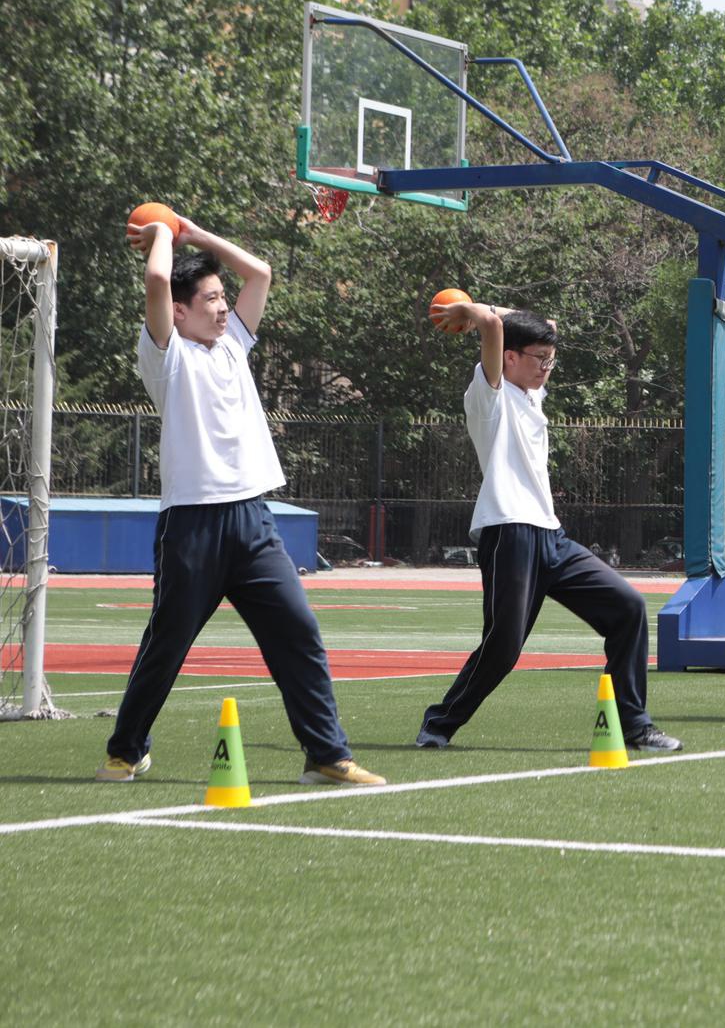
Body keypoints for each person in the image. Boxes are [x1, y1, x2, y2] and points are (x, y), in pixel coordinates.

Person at [100, 215, 382, 785]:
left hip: (254, 521)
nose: (224, 306)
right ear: (180, 312)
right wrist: (161, 233)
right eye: (209, 299)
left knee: (298, 631)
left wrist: (194, 233)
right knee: (167, 645)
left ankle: (326, 754)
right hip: (192, 527)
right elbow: (157, 281)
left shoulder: (233, 346)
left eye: (223, 297)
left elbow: (261, 271)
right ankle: (126, 749)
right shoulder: (166, 355)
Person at [415, 303, 678, 753]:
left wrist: (531, 330)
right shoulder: (488, 396)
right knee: (504, 647)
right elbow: (495, 325)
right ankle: (439, 723)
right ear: (509, 357)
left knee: (628, 609)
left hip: (550, 536)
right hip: (508, 532)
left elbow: (547, 325)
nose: (546, 368)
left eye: (550, 360)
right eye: (538, 358)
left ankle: (635, 727)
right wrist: (466, 310)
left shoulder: (532, 394)